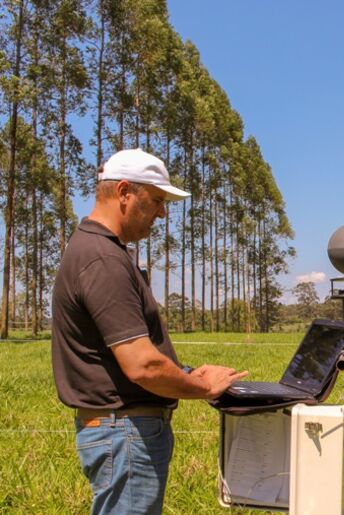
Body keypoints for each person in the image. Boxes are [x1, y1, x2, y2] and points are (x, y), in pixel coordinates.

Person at [51, 148, 248, 515]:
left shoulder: (97, 250)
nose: (161, 213)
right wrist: (203, 386)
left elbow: (121, 355)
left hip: (121, 431)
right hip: (126, 434)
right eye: (156, 200)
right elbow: (142, 366)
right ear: (124, 192)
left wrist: (186, 373)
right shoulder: (104, 260)